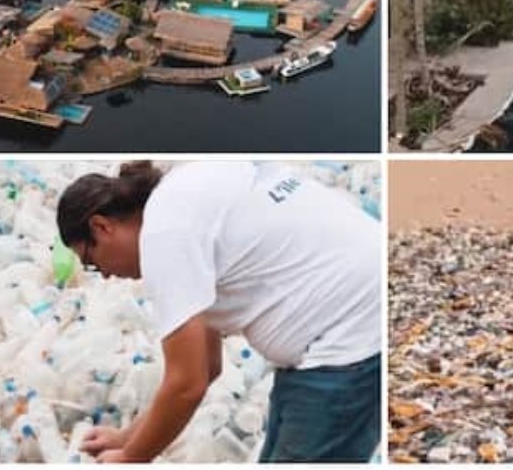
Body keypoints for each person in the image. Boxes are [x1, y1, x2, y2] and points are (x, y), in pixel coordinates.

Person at [55, 161, 381, 463]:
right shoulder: (181, 197)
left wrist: (130, 459)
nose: (106, 274)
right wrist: (127, 438)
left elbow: (188, 384)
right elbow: (208, 367)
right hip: (345, 322)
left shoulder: (163, 236)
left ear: (101, 227)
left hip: (349, 342)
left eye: (92, 262)